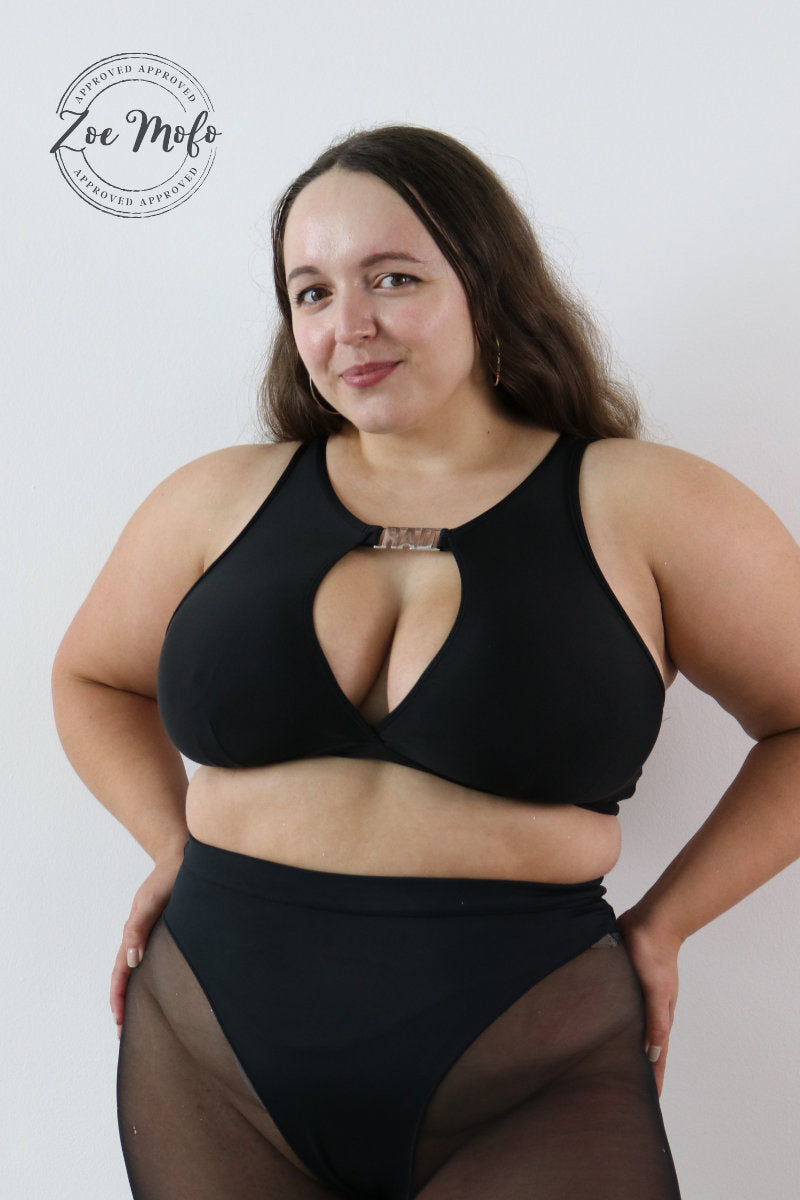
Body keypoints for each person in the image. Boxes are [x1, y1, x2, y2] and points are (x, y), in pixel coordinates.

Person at [51, 125, 800, 1200]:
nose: (347, 325)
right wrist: (168, 840)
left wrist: (668, 921)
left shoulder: (648, 502)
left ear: (486, 283)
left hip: (528, 1061)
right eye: (311, 293)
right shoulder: (215, 499)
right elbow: (91, 679)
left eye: (392, 278)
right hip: (214, 1049)